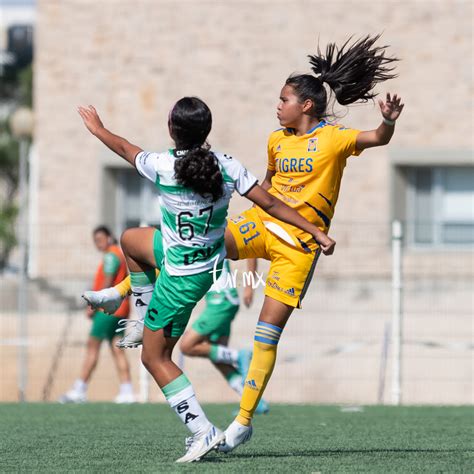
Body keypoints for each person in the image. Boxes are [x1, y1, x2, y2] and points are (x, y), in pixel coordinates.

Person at [82, 34, 404, 454]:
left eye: (284, 98)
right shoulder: (276, 139)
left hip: (299, 246)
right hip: (263, 223)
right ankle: (124, 297)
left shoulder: (335, 139)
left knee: (265, 336)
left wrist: (389, 122)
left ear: (306, 105)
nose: (278, 104)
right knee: (199, 244)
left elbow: (377, 138)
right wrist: (249, 263)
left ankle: (244, 420)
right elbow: (266, 193)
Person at [78, 97, 335, 463]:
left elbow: (123, 147)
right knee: (132, 240)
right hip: (205, 263)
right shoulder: (227, 165)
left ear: (172, 129)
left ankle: (203, 430)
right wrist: (316, 232)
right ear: (206, 131)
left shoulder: (163, 165)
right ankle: (137, 315)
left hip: (180, 279)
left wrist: (97, 128)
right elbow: (273, 205)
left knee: (155, 358)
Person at [180, 258, 269, 415]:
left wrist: (249, 286)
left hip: (221, 300)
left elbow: (251, 252)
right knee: (218, 356)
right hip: (219, 300)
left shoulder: (216, 233)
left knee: (187, 345)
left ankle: (239, 355)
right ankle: (255, 403)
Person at [59, 226, 134, 404]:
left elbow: (108, 281)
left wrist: (94, 305)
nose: (97, 243)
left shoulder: (110, 256)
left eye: (100, 239)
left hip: (107, 310)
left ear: (109, 237)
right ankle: (127, 390)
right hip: (122, 308)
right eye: (95, 240)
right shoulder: (119, 254)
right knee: (118, 349)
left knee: (92, 346)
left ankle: (80, 388)